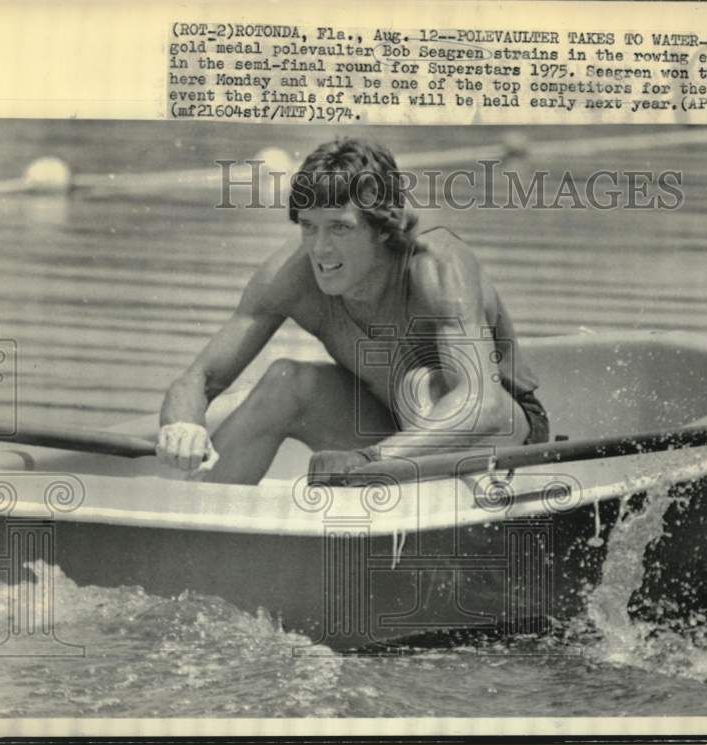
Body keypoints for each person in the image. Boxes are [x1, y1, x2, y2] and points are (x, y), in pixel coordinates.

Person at [156, 136, 549, 484]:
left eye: (339, 228)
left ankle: (417, 523)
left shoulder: (437, 266)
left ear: (382, 227)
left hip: (504, 438)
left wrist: (369, 461)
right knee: (286, 380)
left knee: (420, 385)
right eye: (309, 227)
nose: (321, 249)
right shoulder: (289, 276)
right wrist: (182, 427)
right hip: (389, 434)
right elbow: (198, 379)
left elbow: (485, 404)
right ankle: (200, 529)